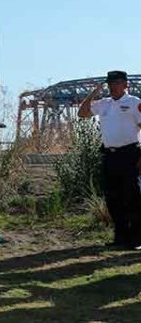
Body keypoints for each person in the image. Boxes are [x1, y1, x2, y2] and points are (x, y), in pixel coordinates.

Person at [78, 70, 141, 249]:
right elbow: (82, 113)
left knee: (132, 198)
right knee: (113, 198)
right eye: (110, 84)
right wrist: (93, 93)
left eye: (117, 83)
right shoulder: (104, 104)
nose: (112, 87)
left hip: (130, 155)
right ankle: (120, 238)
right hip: (110, 156)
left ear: (125, 85)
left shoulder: (134, 103)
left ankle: (136, 239)